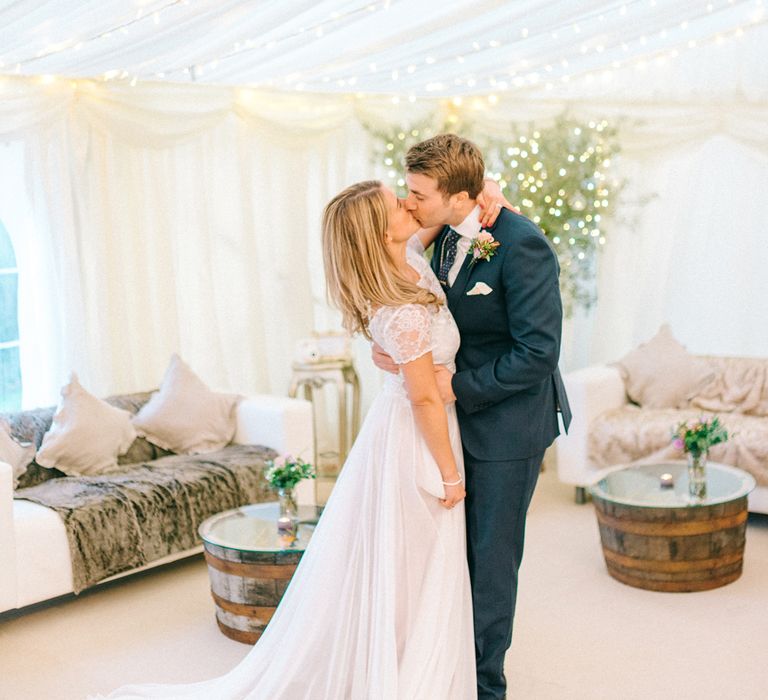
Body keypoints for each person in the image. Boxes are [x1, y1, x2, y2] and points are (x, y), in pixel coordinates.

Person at [91, 179, 507, 700]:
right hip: (416, 436)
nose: (407, 203)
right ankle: (401, 676)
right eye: (395, 203)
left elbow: (438, 218)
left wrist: (486, 191)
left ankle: (406, 663)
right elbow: (424, 398)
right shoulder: (399, 308)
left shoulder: (408, 254)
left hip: (408, 424)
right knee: (414, 559)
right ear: (378, 233)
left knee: (410, 559)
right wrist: (449, 472)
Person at [373, 134, 572, 700]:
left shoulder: (522, 243)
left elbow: (539, 353)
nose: (409, 204)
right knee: (452, 553)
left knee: (491, 562)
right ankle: (451, 669)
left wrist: (456, 387)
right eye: (406, 192)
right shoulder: (438, 235)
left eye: (418, 195)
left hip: (508, 426)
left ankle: (487, 687)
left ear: (460, 196)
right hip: (455, 425)